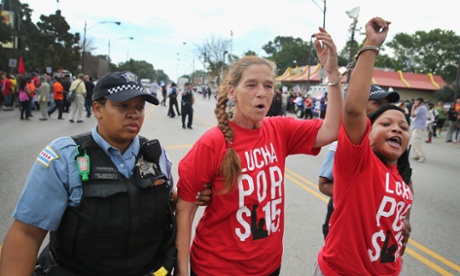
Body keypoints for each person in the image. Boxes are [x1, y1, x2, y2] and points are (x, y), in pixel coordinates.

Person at [175, 25, 344, 276]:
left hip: (268, 266)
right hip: (217, 268)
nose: (261, 93)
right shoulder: (212, 143)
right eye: (251, 85)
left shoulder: (280, 129)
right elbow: (185, 211)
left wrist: (331, 72)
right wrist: (181, 271)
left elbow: (331, 129)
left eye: (268, 86)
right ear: (232, 92)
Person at [0, 71, 176, 275]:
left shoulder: (155, 155)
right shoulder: (65, 157)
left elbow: (168, 205)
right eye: (123, 105)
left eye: (139, 107)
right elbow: (27, 234)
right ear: (98, 109)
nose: (134, 114)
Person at [315, 17, 413, 276]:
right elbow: (354, 110)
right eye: (386, 123)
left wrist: (403, 224)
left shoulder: (399, 176)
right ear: (367, 133)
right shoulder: (358, 159)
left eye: (403, 127)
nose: (396, 129)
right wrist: (371, 44)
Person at [318, 84, 401, 239]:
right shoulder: (344, 143)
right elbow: (324, 184)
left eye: (387, 104)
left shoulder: (391, 145)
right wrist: (363, 200)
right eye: (377, 103)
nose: (384, 109)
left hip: (377, 230)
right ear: (361, 106)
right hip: (343, 225)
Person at [410, 97, 428, 162]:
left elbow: (412, 114)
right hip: (416, 126)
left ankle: (421, 156)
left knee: (416, 141)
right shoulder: (423, 108)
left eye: (416, 102)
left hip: (418, 127)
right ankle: (416, 155)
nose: (415, 103)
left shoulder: (421, 108)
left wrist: (413, 106)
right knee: (413, 141)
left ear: (419, 102)